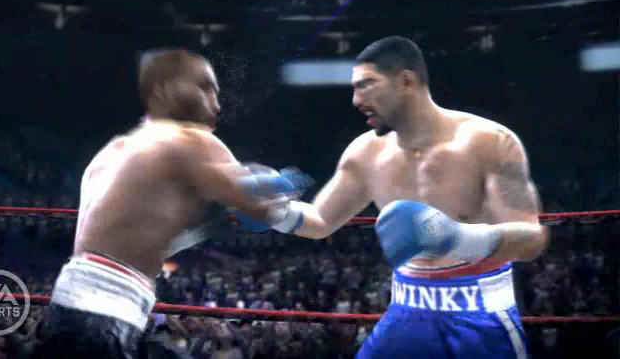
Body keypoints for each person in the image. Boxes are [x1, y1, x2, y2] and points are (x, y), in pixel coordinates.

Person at [235, 36, 547, 358]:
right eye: (355, 89)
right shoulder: (365, 153)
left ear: (406, 81)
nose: (356, 100)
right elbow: (320, 221)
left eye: (366, 85)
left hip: (480, 317)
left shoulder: (489, 142)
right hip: (405, 312)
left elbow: (532, 239)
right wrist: (275, 212)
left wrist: (455, 237)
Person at [33, 48, 313, 359]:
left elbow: (134, 233)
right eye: (203, 87)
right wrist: (286, 184)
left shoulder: (113, 150)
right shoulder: (189, 140)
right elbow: (258, 206)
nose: (216, 103)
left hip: (70, 303)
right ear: (163, 90)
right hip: (106, 313)